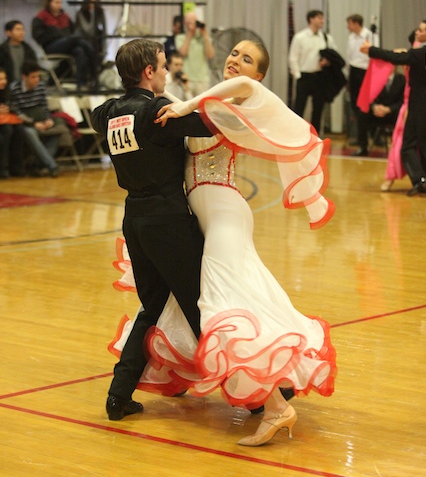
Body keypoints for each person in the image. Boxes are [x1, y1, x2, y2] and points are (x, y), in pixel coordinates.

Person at [111, 40, 337, 446]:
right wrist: (160, 94)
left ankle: (273, 405)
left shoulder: (243, 97)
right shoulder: (211, 106)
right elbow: (174, 106)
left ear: (260, 74)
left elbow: (211, 99)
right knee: (207, 302)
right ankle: (260, 392)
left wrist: (179, 103)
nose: (236, 60)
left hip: (224, 214)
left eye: (247, 59)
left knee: (218, 304)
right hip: (203, 216)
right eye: (234, 53)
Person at [90, 39, 213, 421]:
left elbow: (97, 115)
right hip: (168, 220)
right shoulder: (156, 110)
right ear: (148, 72)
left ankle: (118, 395)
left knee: (153, 306)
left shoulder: (108, 113)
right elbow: (208, 124)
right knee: (200, 307)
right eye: (162, 66)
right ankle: (254, 394)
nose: (167, 72)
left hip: (135, 221)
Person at [360, 20, 426, 196]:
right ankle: (421, 180)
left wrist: (372, 50)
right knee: (413, 145)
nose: (418, 33)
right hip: (415, 106)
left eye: (422, 30)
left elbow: (395, 57)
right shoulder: (420, 54)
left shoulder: (420, 54)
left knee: (412, 145)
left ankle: (421, 180)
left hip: (419, 106)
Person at [32, 0, 96, 90]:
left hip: (67, 44)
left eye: (60, 2)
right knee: (76, 40)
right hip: (50, 46)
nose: (59, 5)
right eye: (56, 2)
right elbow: (38, 36)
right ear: (49, 3)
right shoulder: (41, 17)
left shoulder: (64, 16)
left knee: (80, 50)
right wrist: (57, 35)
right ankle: (94, 55)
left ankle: (81, 84)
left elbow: (73, 30)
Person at [289, 9, 338, 134]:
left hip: (320, 76)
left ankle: (315, 135)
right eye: (319, 18)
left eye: (322, 18)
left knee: (318, 108)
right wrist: (298, 76)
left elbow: (334, 55)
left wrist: (327, 62)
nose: (322, 21)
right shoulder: (300, 37)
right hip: (304, 76)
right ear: (311, 19)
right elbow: (293, 57)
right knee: (299, 107)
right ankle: (295, 134)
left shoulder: (326, 38)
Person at [10, 61, 60, 177]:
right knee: (30, 133)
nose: (36, 79)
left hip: (41, 118)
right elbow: (17, 113)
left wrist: (48, 120)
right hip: (26, 123)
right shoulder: (15, 89)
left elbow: (44, 106)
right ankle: (52, 166)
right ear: (24, 77)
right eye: (33, 77)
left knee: (58, 131)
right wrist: (33, 124)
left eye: (38, 76)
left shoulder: (41, 87)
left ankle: (37, 164)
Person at [346, 14, 379, 156]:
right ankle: (361, 139)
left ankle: (367, 139)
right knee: (355, 106)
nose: (348, 27)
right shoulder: (351, 37)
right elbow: (349, 56)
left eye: (349, 23)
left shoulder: (370, 35)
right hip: (354, 71)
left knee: (364, 107)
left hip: (365, 72)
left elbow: (375, 53)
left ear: (356, 23)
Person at [175, 11, 215, 95]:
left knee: (201, 105)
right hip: (187, 78)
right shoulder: (180, 37)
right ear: (185, 23)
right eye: (189, 22)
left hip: (202, 79)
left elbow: (210, 54)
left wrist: (204, 34)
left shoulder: (203, 38)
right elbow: (183, 53)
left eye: (194, 21)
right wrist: (189, 34)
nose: (192, 24)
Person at [75, 0, 107, 73]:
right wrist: (93, 14)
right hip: (84, 42)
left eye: (95, 2)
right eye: (90, 2)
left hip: (96, 43)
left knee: (98, 55)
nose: (92, 4)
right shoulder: (81, 13)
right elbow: (88, 30)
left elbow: (104, 31)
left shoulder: (100, 13)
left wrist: (104, 49)